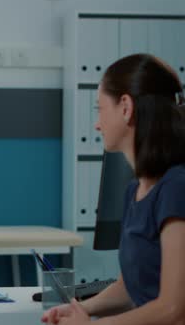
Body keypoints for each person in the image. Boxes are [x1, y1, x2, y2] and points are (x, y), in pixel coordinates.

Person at [42, 54, 185, 324]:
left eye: (99, 109)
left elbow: (173, 308)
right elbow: (129, 287)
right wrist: (81, 309)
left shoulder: (176, 188)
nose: (97, 124)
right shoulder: (135, 191)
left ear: (125, 107)